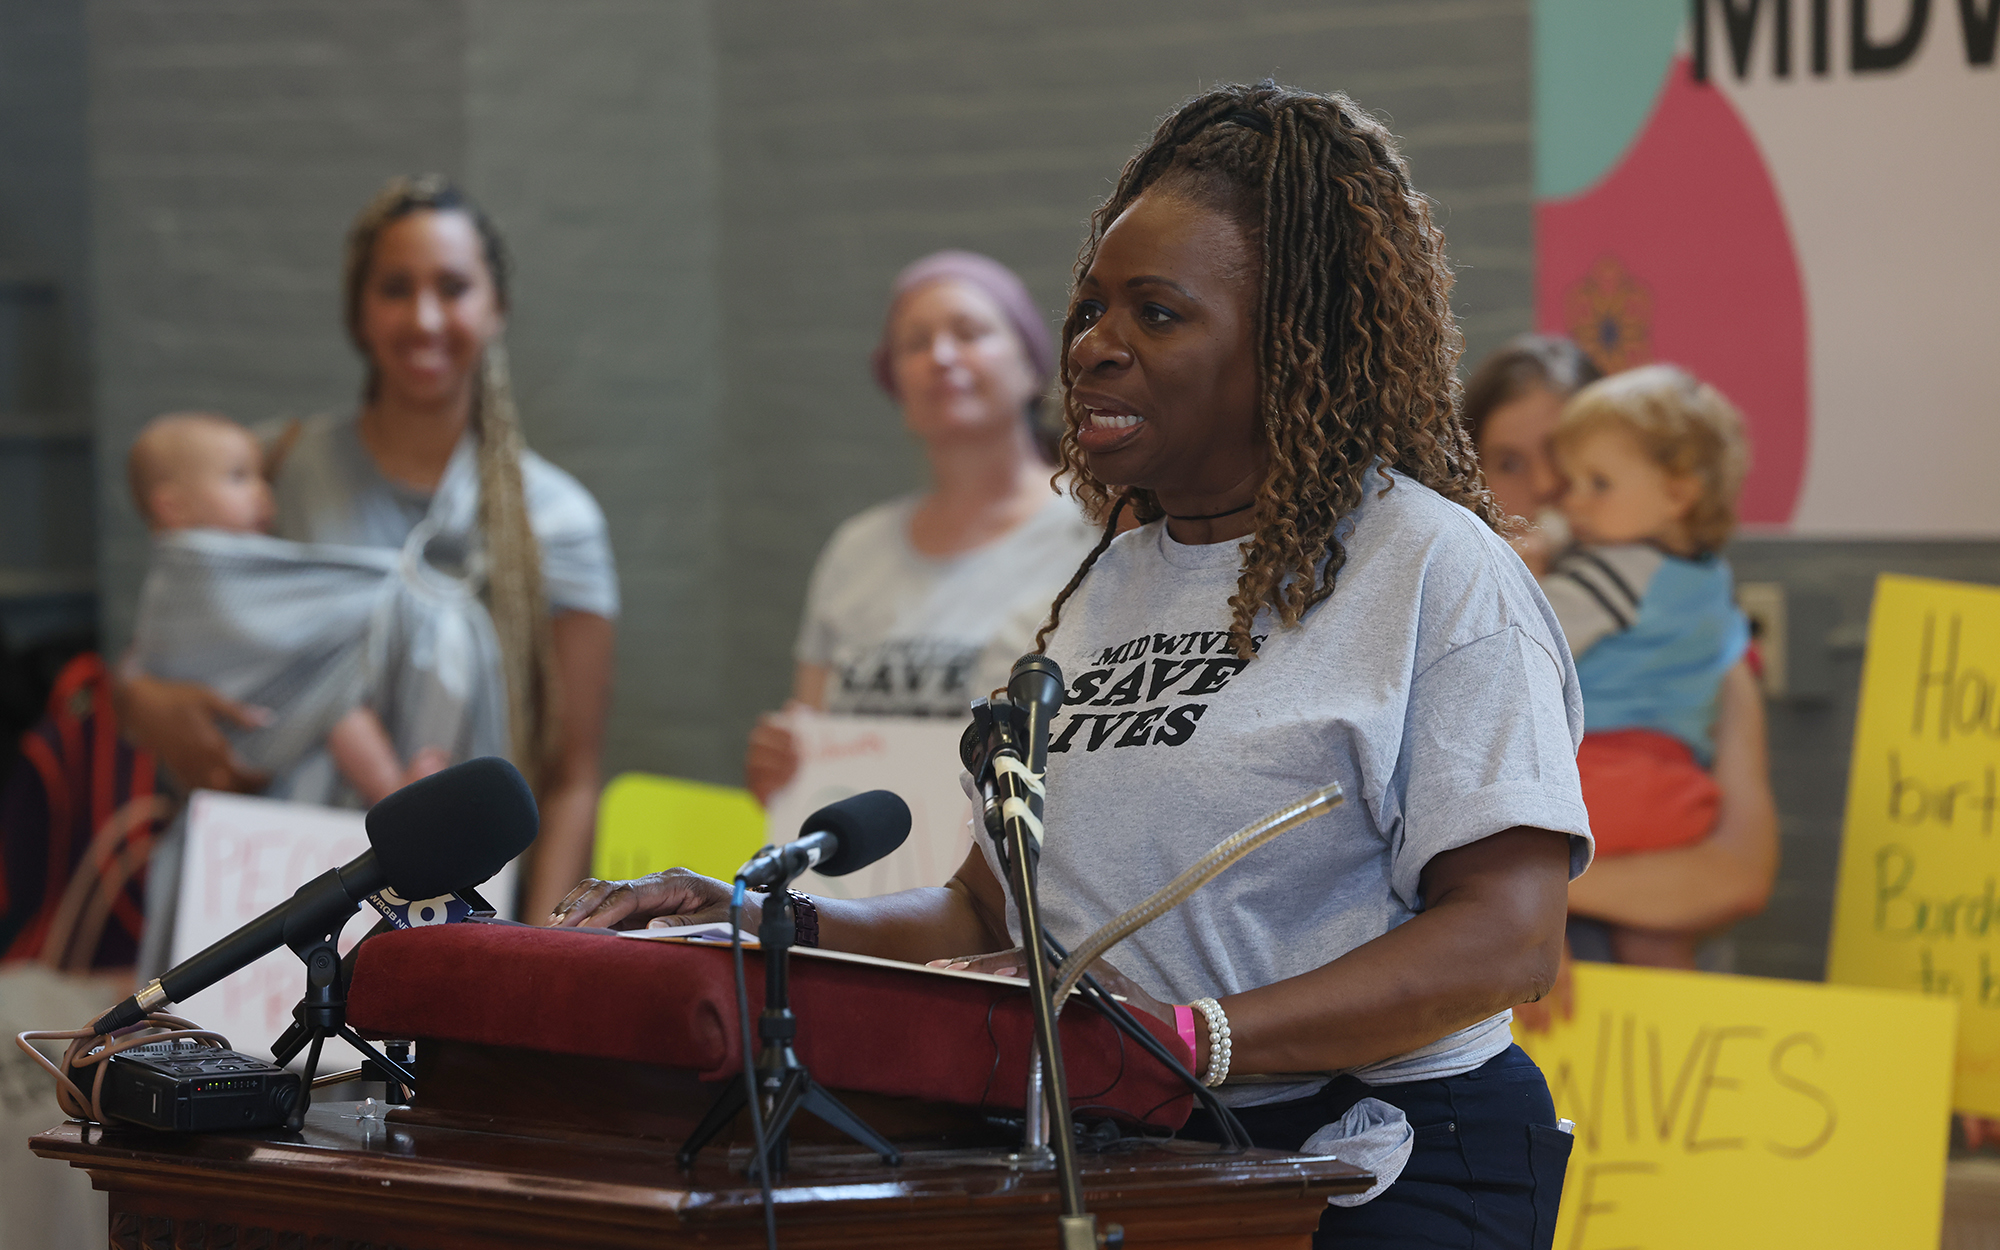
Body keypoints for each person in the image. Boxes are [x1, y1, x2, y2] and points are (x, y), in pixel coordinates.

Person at [560, 83, 1585, 1246]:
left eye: (1156, 314)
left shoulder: (1432, 570)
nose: (1094, 347)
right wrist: (760, 920)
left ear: (1293, 336)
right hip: (1138, 1148)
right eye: (1091, 308)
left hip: (1386, 1160)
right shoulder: (1099, 584)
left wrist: (1199, 1037)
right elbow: (980, 908)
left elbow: (1507, 935)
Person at [115, 178, 617, 919]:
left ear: (497, 309)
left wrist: (546, 946)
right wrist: (143, 702)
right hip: (265, 886)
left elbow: (573, 775)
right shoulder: (268, 471)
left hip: (444, 907)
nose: (424, 317)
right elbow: (182, 626)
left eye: (453, 287)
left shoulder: (558, 520)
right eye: (394, 288)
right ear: (358, 312)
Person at [1462, 337, 1777, 1003]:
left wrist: (1537, 894)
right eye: (1511, 462)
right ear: (1465, 471)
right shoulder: (1441, 624)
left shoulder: (1706, 642)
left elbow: (1738, 872)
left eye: (1576, 463)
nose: (1551, 489)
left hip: (1620, 1003)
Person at [743, 250, 1099, 803]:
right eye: (914, 343)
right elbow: (808, 737)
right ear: (895, 385)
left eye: (970, 332)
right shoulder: (855, 548)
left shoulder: (1102, 532)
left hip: (1022, 877)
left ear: (1032, 366)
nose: (941, 356)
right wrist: (784, 770)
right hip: (862, 881)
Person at [1537, 367, 1752, 967]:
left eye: (1597, 483)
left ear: (1677, 493)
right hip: (1678, 796)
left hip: (1598, 777)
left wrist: (1529, 558)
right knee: (1657, 943)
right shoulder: (1710, 579)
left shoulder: (1612, 573)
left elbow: (1528, 639)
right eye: (1571, 481)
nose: (1572, 500)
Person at [126, 411, 448, 806]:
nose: (263, 493)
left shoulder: (231, 566)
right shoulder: (191, 573)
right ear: (174, 507)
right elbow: (240, 631)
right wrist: (379, 597)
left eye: (262, 477)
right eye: (239, 478)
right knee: (335, 703)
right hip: (243, 728)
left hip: (264, 748)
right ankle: (394, 794)